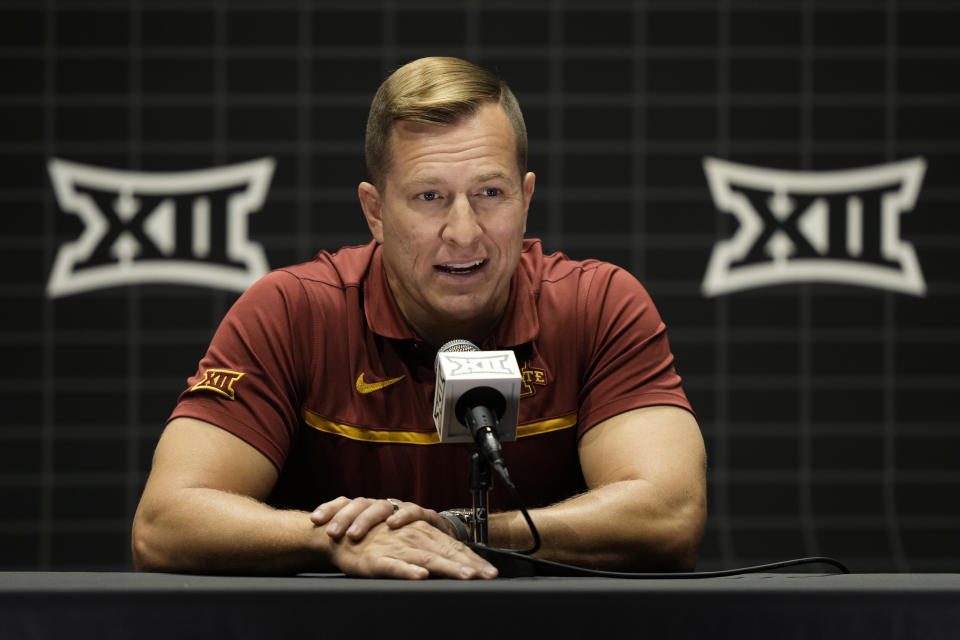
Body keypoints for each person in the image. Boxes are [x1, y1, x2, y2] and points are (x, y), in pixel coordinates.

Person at [131, 56, 706, 579]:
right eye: (429, 197)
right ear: (375, 211)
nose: (463, 231)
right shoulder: (291, 311)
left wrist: (458, 530)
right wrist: (337, 539)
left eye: (489, 192)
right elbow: (165, 522)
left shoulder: (599, 304)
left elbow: (668, 514)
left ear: (526, 199)